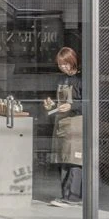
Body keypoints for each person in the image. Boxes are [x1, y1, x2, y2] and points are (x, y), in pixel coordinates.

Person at [45, 45, 84, 207]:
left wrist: (72, 106)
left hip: (77, 123)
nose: (63, 67)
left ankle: (73, 197)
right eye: (61, 64)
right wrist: (51, 105)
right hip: (62, 123)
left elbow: (90, 104)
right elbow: (60, 102)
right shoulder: (61, 79)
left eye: (66, 63)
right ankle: (64, 195)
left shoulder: (82, 79)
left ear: (73, 61)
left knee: (75, 161)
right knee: (63, 160)